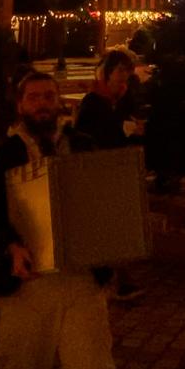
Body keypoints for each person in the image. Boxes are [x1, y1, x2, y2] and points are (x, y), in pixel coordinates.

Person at [0, 69, 121, 369]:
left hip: (80, 285)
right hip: (28, 290)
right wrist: (11, 247)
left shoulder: (83, 145)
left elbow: (104, 203)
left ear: (59, 103)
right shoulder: (5, 155)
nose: (42, 104)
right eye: (34, 97)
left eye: (48, 96)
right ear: (21, 105)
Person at [74, 46, 146, 302]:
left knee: (117, 225)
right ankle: (112, 278)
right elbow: (83, 136)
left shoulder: (125, 99)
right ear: (107, 73)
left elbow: (131, 125)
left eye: (127, 72)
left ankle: (118, 278)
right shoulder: (93, 101)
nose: (123, 77)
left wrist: (136, 132)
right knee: (106, 225)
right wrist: (119, 130)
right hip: (98, 169)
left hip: (120, 166)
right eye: (119, 71)